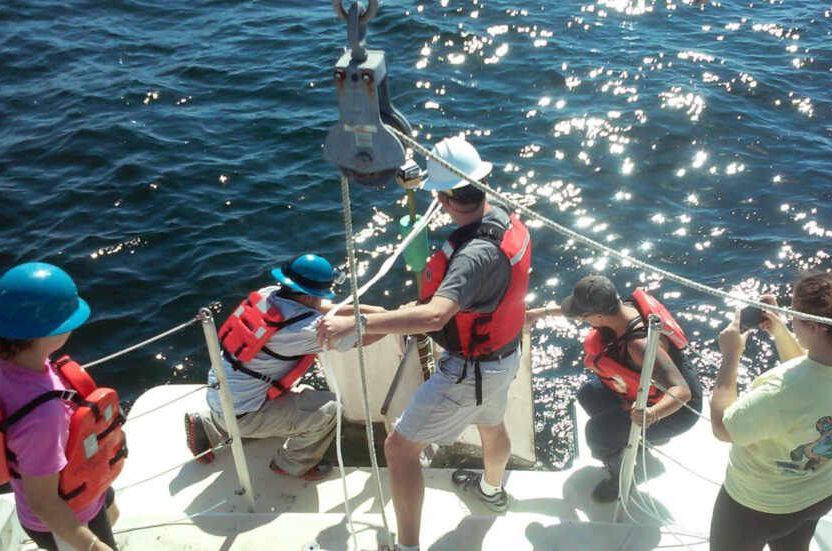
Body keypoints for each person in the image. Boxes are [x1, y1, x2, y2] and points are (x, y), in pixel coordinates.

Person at [318, 136, 531, 551]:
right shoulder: (506, 218)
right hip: (504, 359)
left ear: (442, 198)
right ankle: (491, 492)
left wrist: (361, 321)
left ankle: (407, 547)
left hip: (469, 371)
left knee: (399, 450)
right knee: (491, 423)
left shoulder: (472, 257)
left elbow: (435, 315)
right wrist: (419, 176)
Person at [709, 272, 832, 551]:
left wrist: (731, 354)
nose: (789, 315)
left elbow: (723, 428)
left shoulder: (779, 392)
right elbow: (813, 377)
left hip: (757, 506)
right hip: (818, 497)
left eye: (793, 311)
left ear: (816, 327)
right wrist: (781, 330)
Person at [184, 253, 384, 480]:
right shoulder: (306, 330)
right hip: (243, 414)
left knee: (283, 397)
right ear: (311, 296)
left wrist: (371, 310)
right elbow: (367, 336)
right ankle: (292, 464)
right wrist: (384, 318)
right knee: (331, 410)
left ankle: (208, 425)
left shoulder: (268, 294)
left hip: (221, 398)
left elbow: (323, 309)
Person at [526, 275, 703, 502]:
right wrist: (540, 314)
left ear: (598, 316)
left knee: (597, 433)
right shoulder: (621, 307)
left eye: (584, 317)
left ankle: (622, 477)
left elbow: (682, 392)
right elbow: (579, 313)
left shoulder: (640, 345)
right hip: (651, 389)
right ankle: (640, 440)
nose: (582, 321)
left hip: (677, 409)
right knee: (589, 395)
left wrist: (651, 414)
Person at [0, 262, 120, 551]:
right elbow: (44, 502)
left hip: (85, 490)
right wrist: (95, 547)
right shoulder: (43, 417)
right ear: (45, 334)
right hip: (65, 519)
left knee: (112, 511)